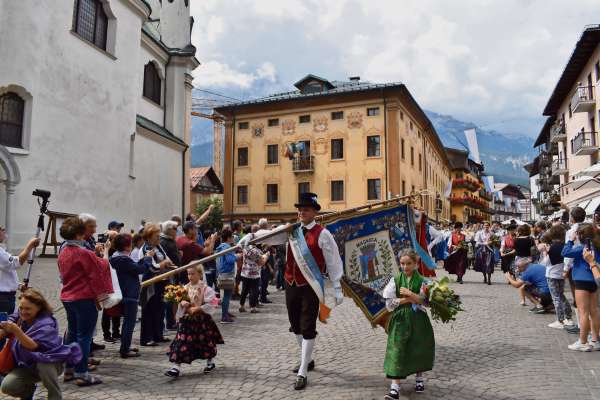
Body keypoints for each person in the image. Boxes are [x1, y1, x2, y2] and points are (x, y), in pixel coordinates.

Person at [283, 192, 343, 390]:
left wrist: (336, 286)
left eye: (305, 209)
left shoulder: (323, 234)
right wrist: (250, 237)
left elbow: (333, 261)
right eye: (299, 209)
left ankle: (303, 371)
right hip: (290, 283)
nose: (301, 212)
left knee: (307, 325)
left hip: (310, 287)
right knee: (295, 324)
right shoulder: (292, 231)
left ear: (314, 212)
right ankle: (307, 359)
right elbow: (270, 236)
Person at [57, 217, 112, 386]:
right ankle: (82, 373)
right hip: (83, 298)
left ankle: (69, 369)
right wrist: (106, 251)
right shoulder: (83, 252)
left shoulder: (63, 250)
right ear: (80, 233)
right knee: (84, 336)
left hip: (67, 297)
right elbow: (102, 267)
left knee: (72, 333)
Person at [0, 289, 82, 400]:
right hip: (27, 364)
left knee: (43, 365)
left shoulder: (46, 323)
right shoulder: (22, 315)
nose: (23, 312)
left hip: (51, 362)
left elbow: (33, 345)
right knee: (7, 386)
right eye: (21, 308)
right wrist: (5, 328)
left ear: (39, 308)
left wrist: (15, 330)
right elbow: (13, 317)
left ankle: (55, 396)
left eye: (28, 309)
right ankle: (28, 392)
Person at [382, 249, 435, 399]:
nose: (405, 267)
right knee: (397, 349)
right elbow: (389, 304)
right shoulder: (396, 280)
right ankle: (394, 388)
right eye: (402, 264)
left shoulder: (424, 281)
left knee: (417, 347)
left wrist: (411, 294)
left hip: (418, 319)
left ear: (416, 264)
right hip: (400, 319)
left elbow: (427, 302)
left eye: (409, 263)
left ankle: (419, 378)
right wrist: (409, 298)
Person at [164, 265, 224, 378]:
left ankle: (210, 362)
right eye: (188, 274)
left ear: (200, 274)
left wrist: (198, 308)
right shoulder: (184, 288)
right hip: (187, 321)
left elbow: (212, 303)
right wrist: (182, 303)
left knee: (206, 341)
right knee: (181, 341)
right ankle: (176, 367)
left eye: (193, 274)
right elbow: (180, 301)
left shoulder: (206, 288)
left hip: (202, 320)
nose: (190, 276)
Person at [110, 233, 153, 358]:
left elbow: (134, 266)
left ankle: (126, 346)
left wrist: (143, 259)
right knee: (129, 323)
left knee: (126, 323)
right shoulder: (123, 259)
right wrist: (148, 258)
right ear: (128, 246)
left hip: (123, 293)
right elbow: (139, 269)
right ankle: (125, 349)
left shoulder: (115, 257)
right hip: (129, 295)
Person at [562, 224, 600, 351]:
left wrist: (570, 240)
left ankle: (583, 342)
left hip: (581, 280)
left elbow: (565, 252)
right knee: (594, 311)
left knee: (583, 312)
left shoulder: (580, 248)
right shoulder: (596, 247)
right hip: (594, 280)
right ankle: (595, 339)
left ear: (580, 235)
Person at [0, 227, 40, 348]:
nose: (3, 230)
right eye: (0, 229)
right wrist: (30, 245)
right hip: (3, 300)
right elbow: (15, 263)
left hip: (5, 297)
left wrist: (17, 285)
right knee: (3, 327)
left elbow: (3, 273)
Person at [135, 223, 173, 347]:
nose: (159, 239)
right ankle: (146, 338)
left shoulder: (159, 246)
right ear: (149, 237)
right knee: (149, 311)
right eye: (156, 236)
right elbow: (152, 268)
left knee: (159, 310)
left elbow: (168, 260)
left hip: (162, 282)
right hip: (150, 284)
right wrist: (164, 263)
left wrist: (166, 263)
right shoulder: (146, 248)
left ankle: (158, 335)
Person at [539, 225, 573, 329]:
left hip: (552, 274)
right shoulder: (565, 245)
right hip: (561, 274)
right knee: (561, 295)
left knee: (556, 298)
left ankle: (560, 320)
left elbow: (545, 263)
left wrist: (545, 253)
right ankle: (568, 317)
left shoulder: (552, 247)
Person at [239, 228, 269, 314]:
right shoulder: (254, 251)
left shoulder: (245, 247)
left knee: (244, 290)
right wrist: (266, 256)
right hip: (254, 274)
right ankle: (252, 307)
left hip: (245, 273)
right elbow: (261, 262)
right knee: (254, 291)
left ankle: (241, 306)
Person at [160, 221, 182, 331]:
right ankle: (170, 322)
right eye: (175, 228)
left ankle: (171, 321)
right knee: (170, 299)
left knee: (173, 298)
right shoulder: (165, 241)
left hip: (173, 273)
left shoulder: (169, 240)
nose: (176, 231)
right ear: (169, 229)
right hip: (169, 274)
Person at [215, 228, 240, 324]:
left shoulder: (221, 246)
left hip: (222, 273)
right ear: (229, 238)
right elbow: (230, 260)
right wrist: (238, 256)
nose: (233, 238)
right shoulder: (227, 247)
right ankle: (224, 317)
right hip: (227, 273)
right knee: (227, 295)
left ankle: (226, 312)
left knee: (226, 295)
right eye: (232, 236)